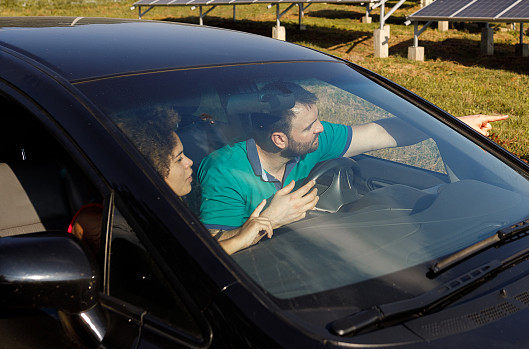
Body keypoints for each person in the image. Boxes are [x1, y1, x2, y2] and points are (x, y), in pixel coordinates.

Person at [197, 82, 507, 230]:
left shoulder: (310, 140)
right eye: (310, 127)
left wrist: (453, 126)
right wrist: (269, 220)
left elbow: (378, 134)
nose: (321, 128)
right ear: (280, 139)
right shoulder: (225, 172)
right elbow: (214, 251)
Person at [114, 106, 279, 254]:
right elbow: (181, 264)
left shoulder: (171, 205)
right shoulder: (125, 229)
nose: (189, 162)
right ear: (151, 169)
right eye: (179, 159)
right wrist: (239, 241)